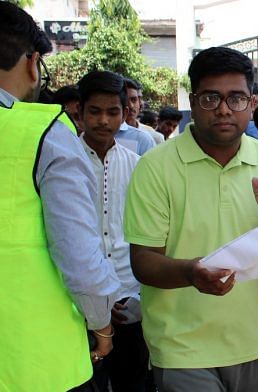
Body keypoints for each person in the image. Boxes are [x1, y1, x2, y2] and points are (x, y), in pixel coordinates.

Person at [124, 46, 258, 392]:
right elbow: (143, 262)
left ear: (251, 102)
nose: (223, 109)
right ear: (193, 100)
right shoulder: (155, 167)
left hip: (252, 344)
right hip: (181, 349)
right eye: (210, 99)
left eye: (236, 98)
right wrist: (193, 273)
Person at [0, 3, 120, 390]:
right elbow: (78, 254)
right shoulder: (42, 132)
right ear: (32, 62)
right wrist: (101, 324)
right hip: (36, 361)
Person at [76, 70, 149, 392]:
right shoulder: (63, 163)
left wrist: (134, 297)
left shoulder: (138, 165)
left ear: (125, 113)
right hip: (78, 303)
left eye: (112, 112)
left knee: (132, 382)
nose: (103, 120)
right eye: (95, 111)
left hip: (129, 300)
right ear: (80, 112)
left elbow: (148, 233)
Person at [124, 78, 164, 145]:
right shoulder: (108, 136)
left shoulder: (154, 137)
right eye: (125, 99)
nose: (131, 105)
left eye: (135, 99)